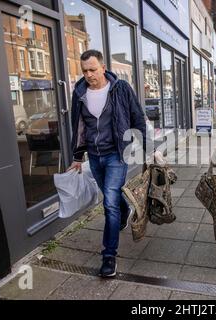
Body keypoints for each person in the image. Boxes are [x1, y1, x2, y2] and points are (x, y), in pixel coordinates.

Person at [67, 50, 153, 278]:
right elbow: (78, 127)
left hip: (117, 154)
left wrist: (148, 151)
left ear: (103, 68)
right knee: (112, 197)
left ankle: (109, 257)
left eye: (93, 69)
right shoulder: (79, 92)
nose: (89, 75)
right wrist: (77, 157)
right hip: (94, 157)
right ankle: (126, 211)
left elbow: (137, 118)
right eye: (85, 70)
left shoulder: (121, 88)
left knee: (109, 203)